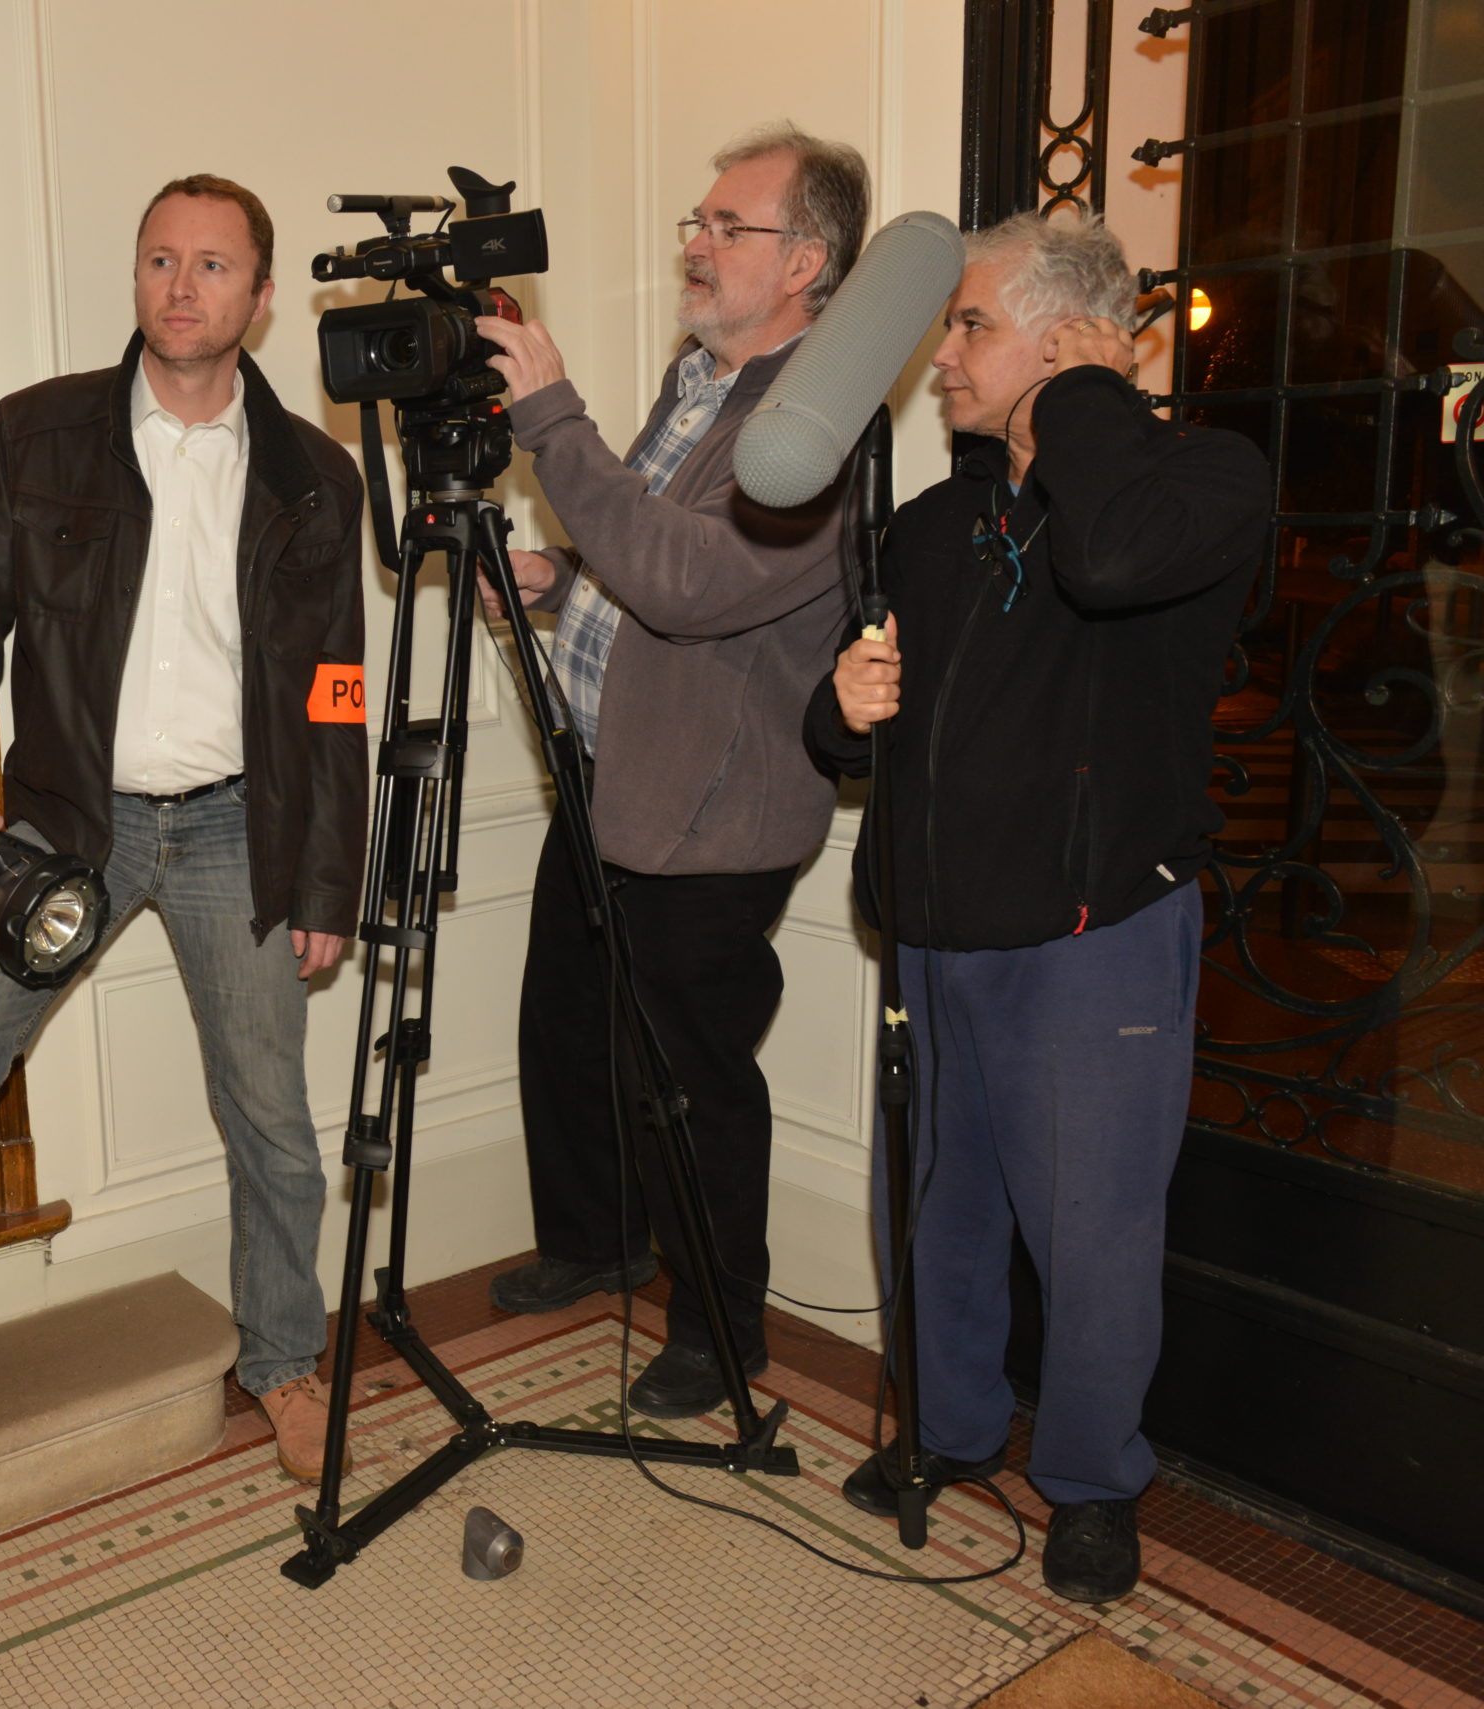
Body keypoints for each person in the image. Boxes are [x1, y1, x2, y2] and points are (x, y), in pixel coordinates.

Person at [0, 175, 367, 1523]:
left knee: (269, 1111)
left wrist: (329, 876)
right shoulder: (40, 437)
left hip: (242, 827)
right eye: (160, 259)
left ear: (263, 297)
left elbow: (334, 696)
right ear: (137, 275)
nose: (180, 287)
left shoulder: (317, 477)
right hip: (70, 819)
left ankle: (287, 1362)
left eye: (213, 265)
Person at [808, 212, 1271, 1603]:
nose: (941, 354)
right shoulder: (935, 523)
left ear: (1069, 343)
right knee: (934, 1212)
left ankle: (1090, 1482)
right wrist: (837, 712)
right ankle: (948, 1430)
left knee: (1094, 1234)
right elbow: (856, 727)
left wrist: (1084, 399)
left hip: (1095, 941)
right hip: (934, 935)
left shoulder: (1201, 481)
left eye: (972, 324)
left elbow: (1109, 563)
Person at [472, 124, 867, 1421]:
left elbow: (693, 585)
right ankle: (596, 1239)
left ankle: (718, 1328)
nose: (696, 243)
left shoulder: (813, 431)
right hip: (609, 769)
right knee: (569, 1020)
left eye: (726, 226)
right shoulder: (699, 379)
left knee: (687, 1081)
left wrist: (550, 416)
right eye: (696, 221)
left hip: (711, 809)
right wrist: (557, 579)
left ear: (805, 261)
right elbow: (645, 544)